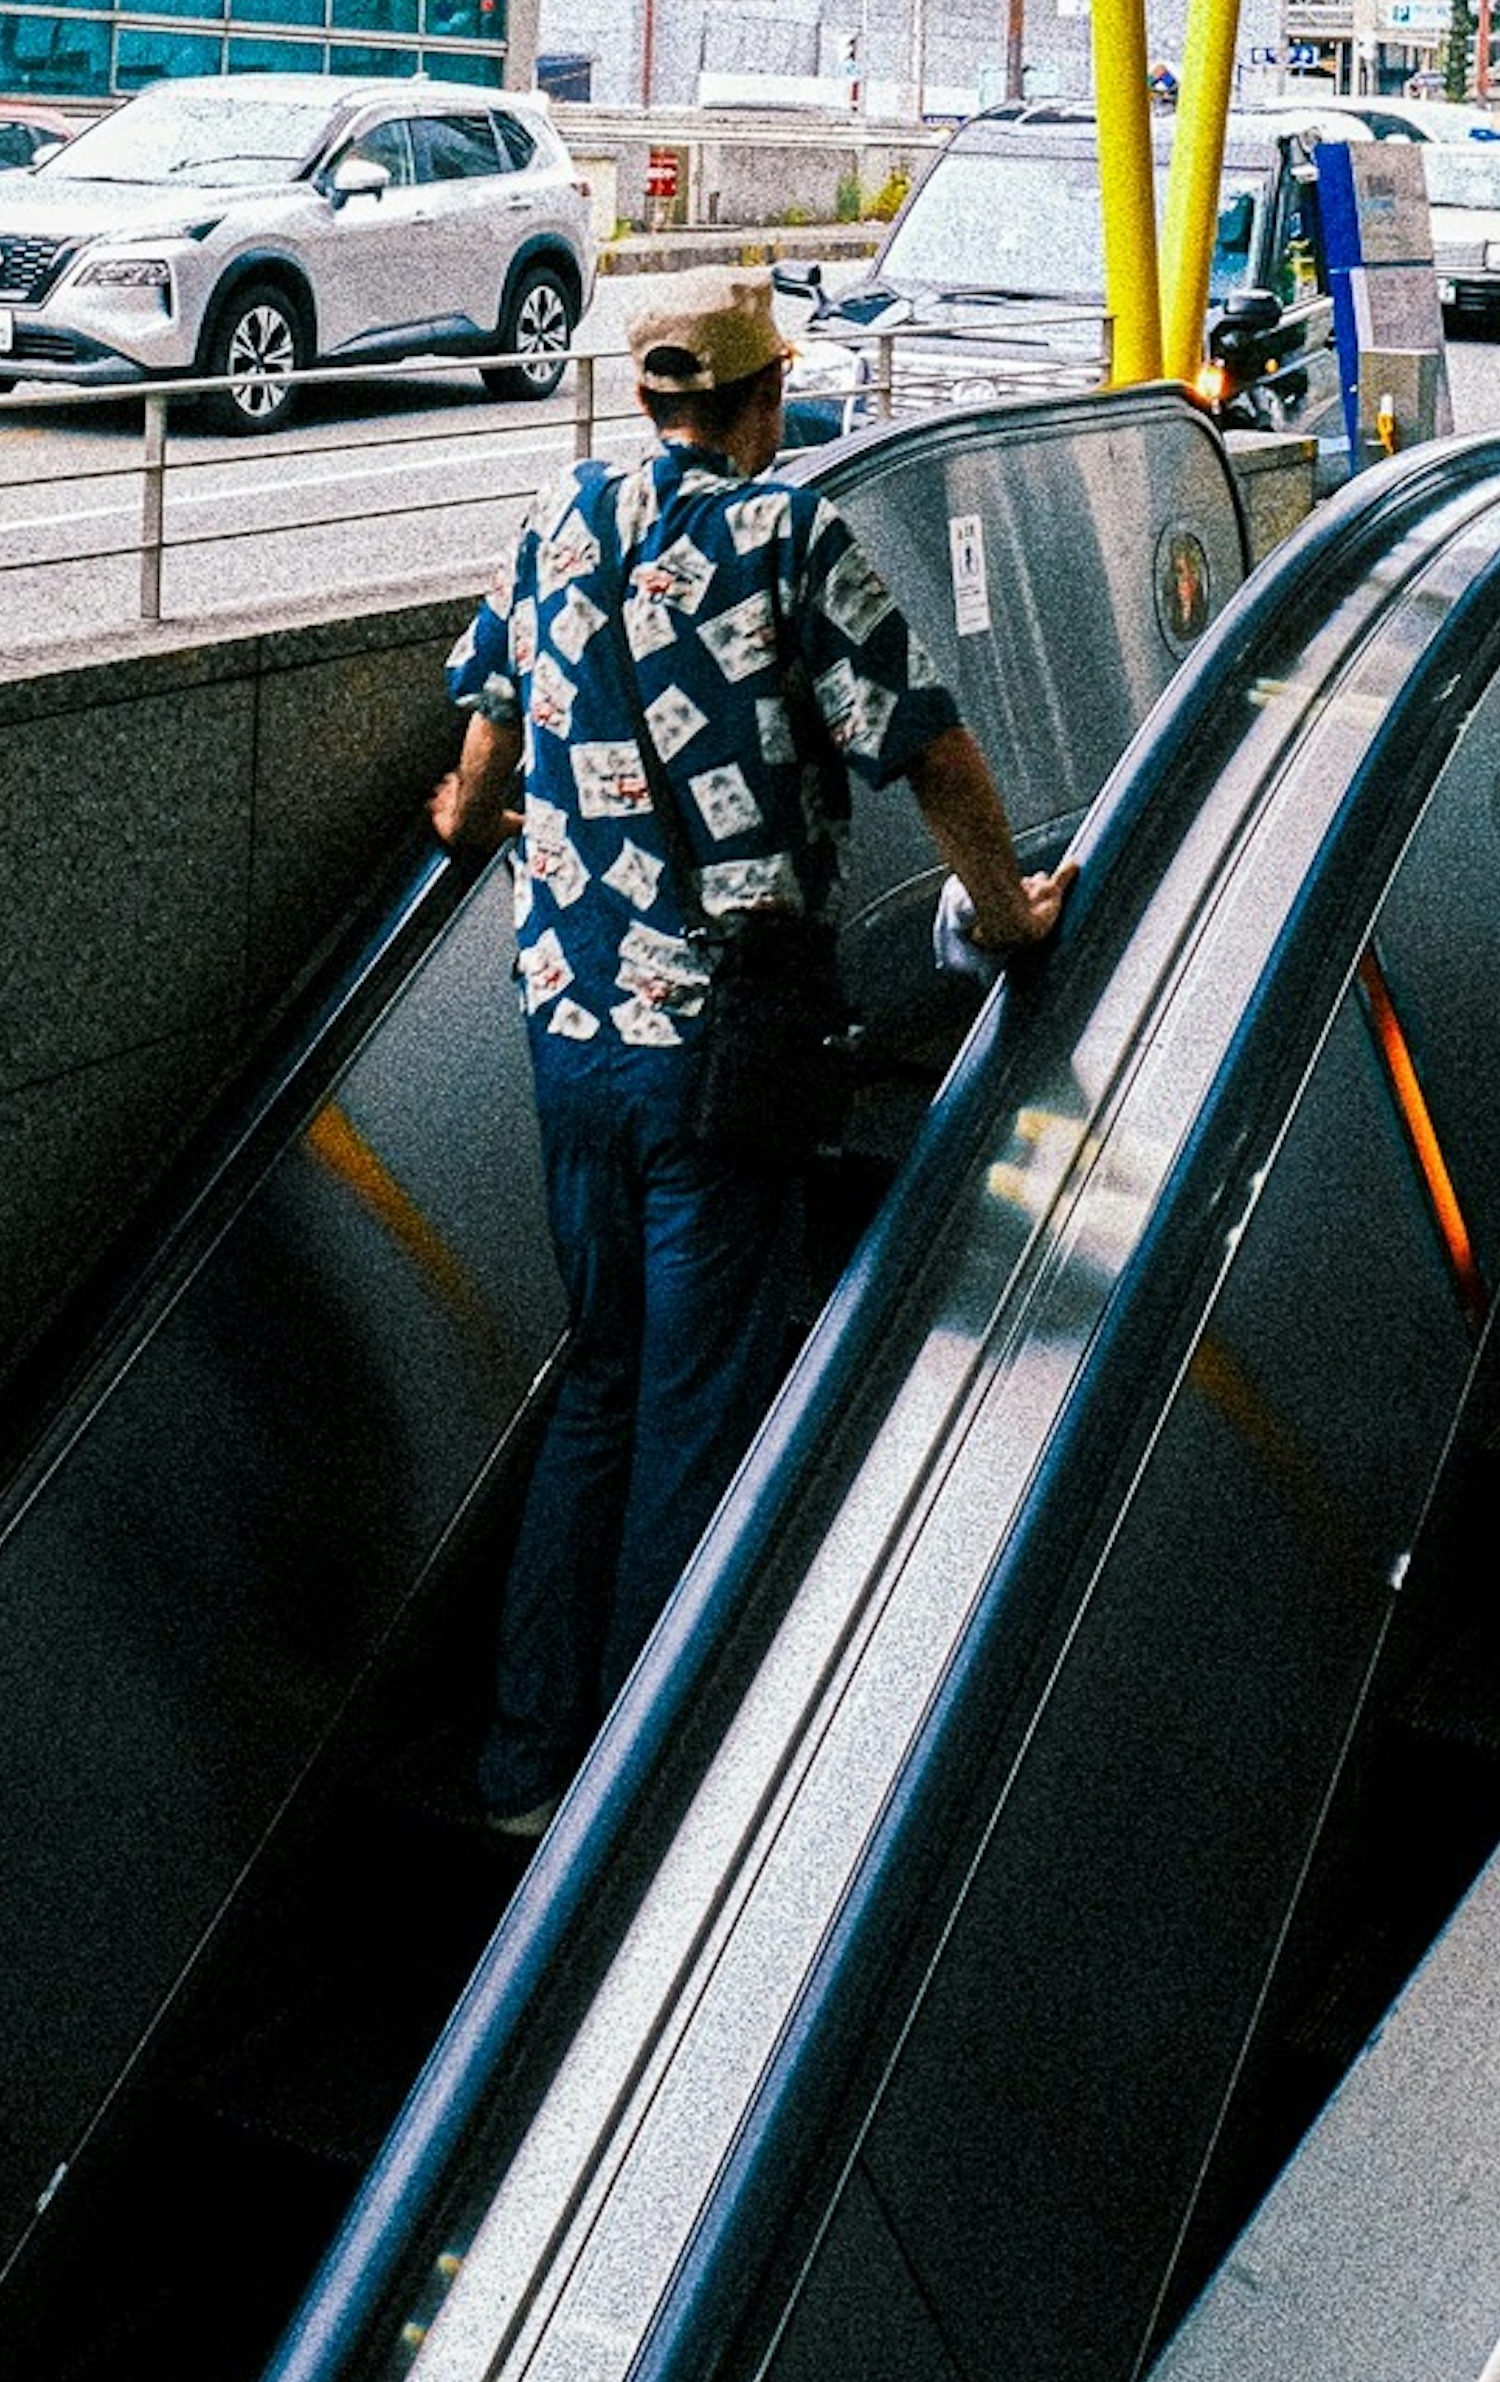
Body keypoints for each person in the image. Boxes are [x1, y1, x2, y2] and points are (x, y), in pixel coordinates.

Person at [435, 276, 1070, 1833]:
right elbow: (926, 744)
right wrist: (1012, 910)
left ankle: (526, 1766)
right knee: (699, 1403)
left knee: (598, 1371)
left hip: (566, 1028)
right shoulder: (788, 540)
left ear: (652, 401)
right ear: (765, 398)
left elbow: (485, 733)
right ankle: (648, 1801)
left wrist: (469, 817)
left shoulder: (560, 517)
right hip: (717, 1044)